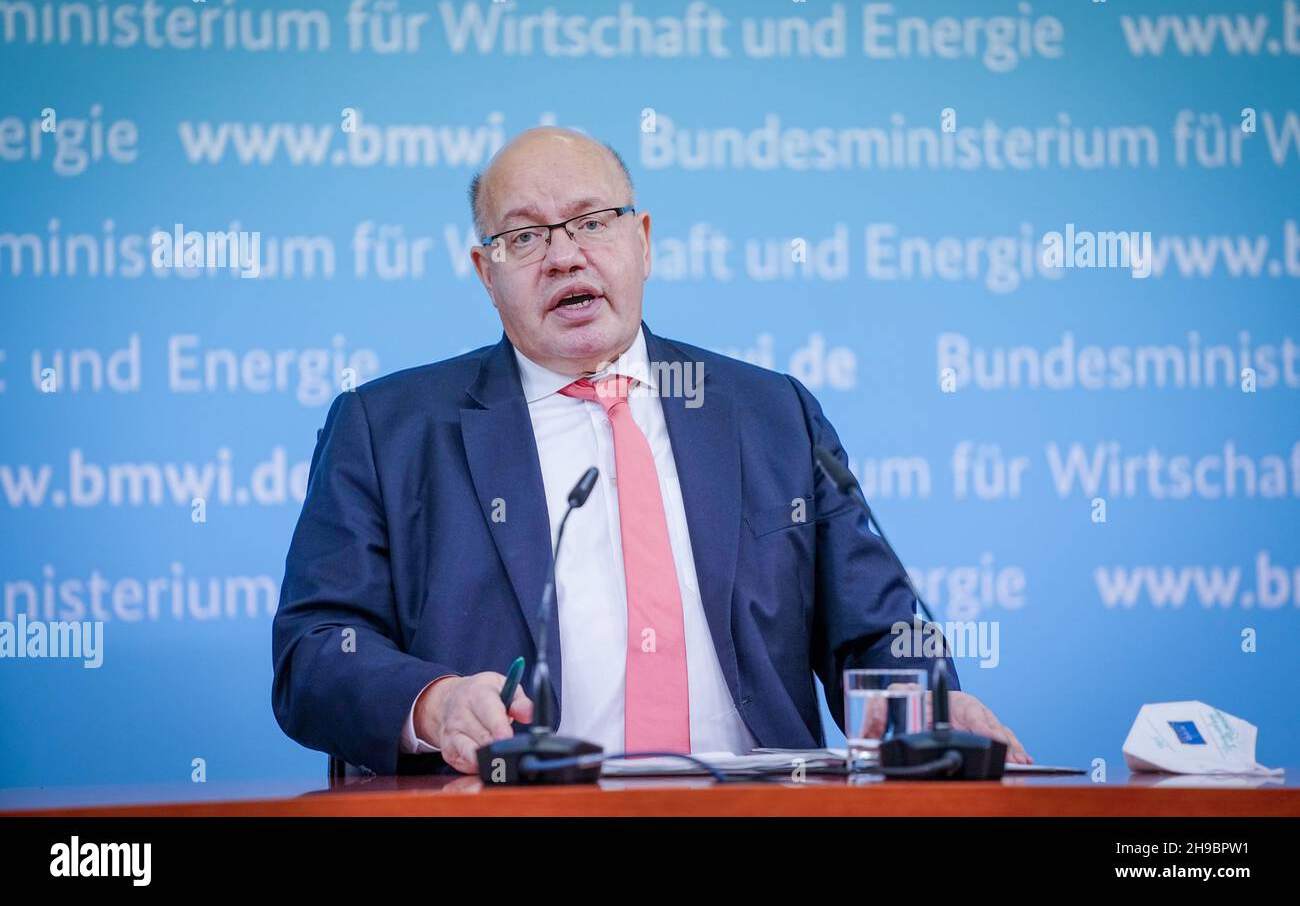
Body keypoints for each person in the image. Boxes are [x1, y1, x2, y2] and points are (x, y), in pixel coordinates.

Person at [271, 126, 1030, 775]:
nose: (564, 257)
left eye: (592, 222)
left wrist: (926, 702)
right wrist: (433, 704)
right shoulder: (388, 429)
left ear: (642, 242)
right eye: (525, 236)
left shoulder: (770, 415)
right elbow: (313, 651)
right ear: (486, 274)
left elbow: (874, 628)